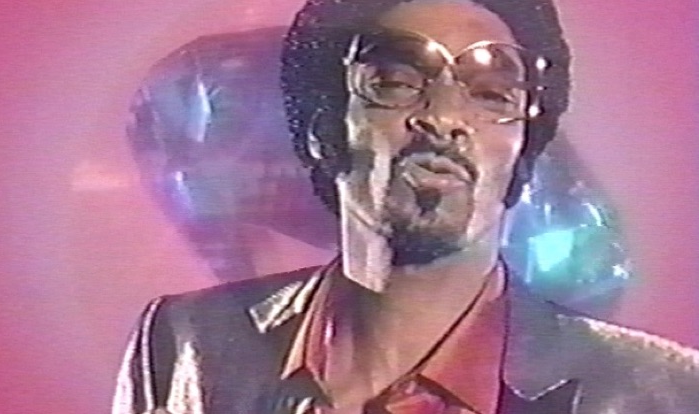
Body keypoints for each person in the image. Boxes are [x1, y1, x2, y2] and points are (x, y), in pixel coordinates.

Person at [112, 0, 699, 413]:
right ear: (322, 129)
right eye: (395, 83)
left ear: (524, 145)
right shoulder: (183, 342)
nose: (443, 118)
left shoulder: (662, 393)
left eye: (491, 94)